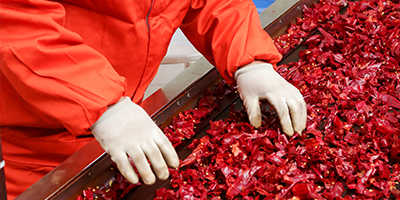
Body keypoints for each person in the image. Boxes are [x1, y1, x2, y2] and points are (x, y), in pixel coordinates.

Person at [0, 0, 307, 198]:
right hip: (33, 135)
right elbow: (16, 21)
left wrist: (248, 59)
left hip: (122, 107)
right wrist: (102, 103)